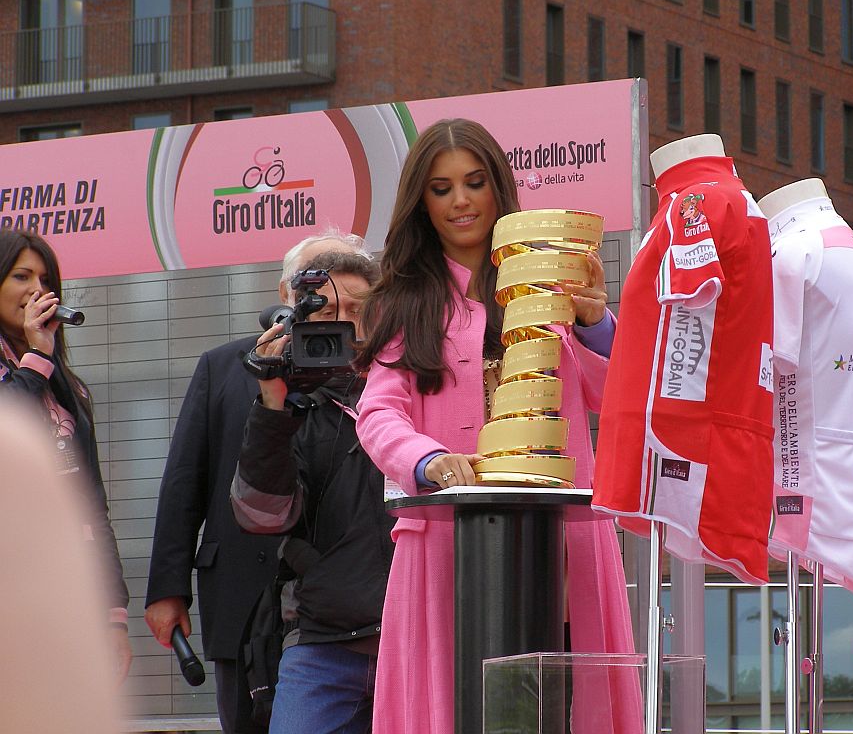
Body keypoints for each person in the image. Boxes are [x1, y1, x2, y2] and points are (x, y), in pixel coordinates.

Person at [354, 118, 637, 734]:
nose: (460, 201)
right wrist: (427, 461)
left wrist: (595, 322)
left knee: (563, 706)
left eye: (475, 183)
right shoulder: (404, 300)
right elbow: (379, 413)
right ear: (421, 203)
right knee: (461, 710)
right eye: (441, 188)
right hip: (453, 543)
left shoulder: (551, 280)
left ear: (499, 189)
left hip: (562, 538)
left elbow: (614, 400)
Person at [145, 231, 372, 733]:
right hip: (240, 582)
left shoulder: (383, 372)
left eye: (349, 302)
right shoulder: (229, 364)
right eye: (312, 293)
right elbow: (185, 479)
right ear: (286, 293)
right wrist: (167, 588)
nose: (329, 314)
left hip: (335, 598)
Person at [231, 248, 394, 734]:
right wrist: (273, 405)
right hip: (323, 643)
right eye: (324, 313)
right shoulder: (288, 406)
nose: (342, 326)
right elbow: (261, 515)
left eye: (359, 311)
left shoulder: (419, 387)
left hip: (417, 639)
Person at [0, 229, 132, 684]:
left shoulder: (64, 385)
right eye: (21, 276)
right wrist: (36, 356)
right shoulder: (35, 366)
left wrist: (113, 612)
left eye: (45, 279)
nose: (37, 289)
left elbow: (91, 503)